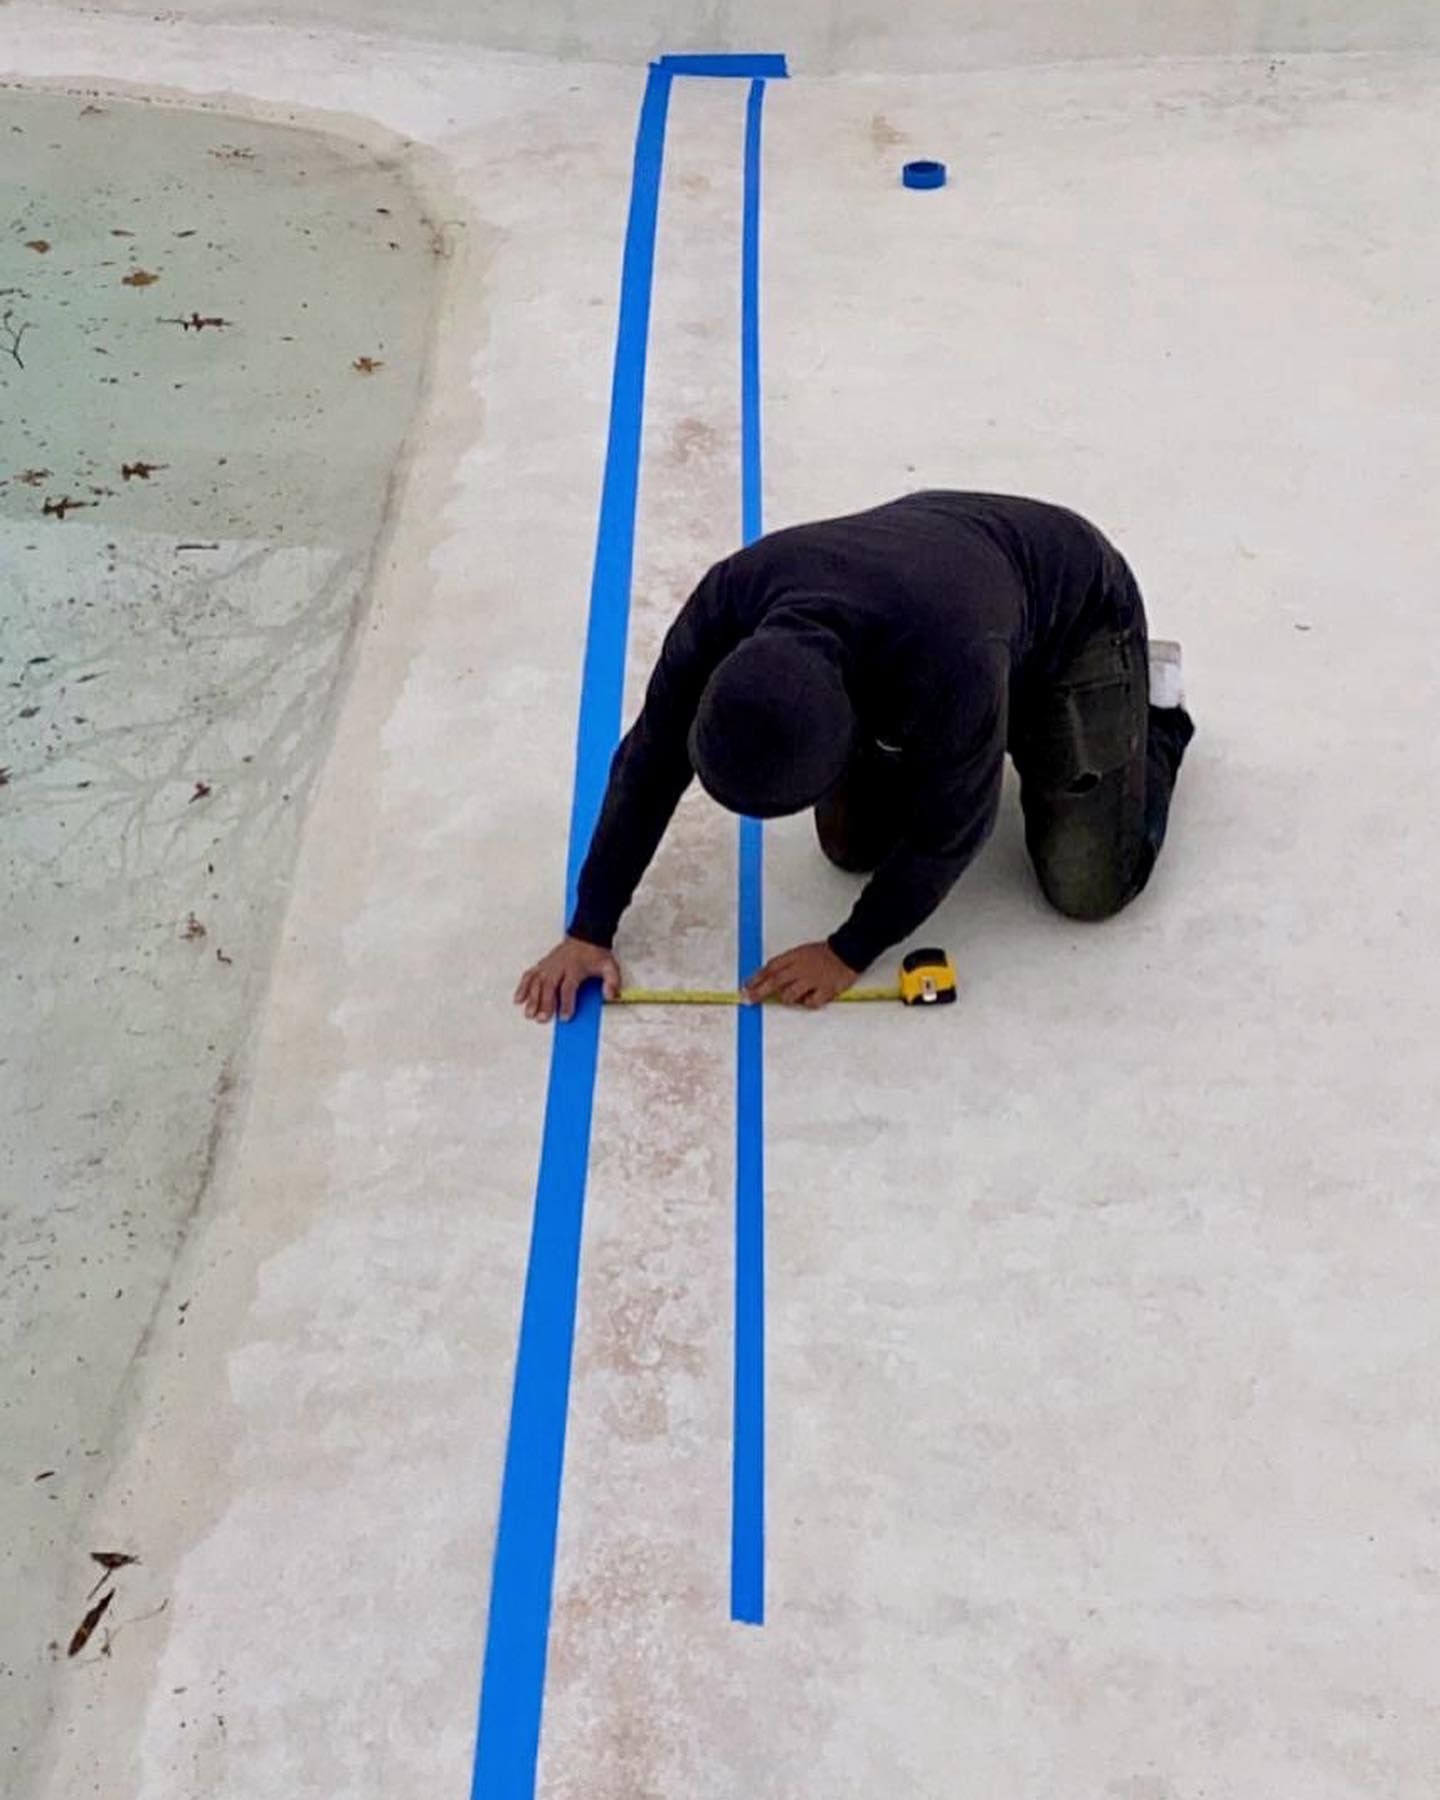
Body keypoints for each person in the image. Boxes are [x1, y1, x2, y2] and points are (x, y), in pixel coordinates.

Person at [515, 491, 1194, 1022]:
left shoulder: (949, 659)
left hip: (1076, 616)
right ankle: (994, 718)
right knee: (853, 847)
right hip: (944, 579)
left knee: (1087, 887)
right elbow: (650, 759)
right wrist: (590, 927)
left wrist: (849, 951)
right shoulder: (727, 604)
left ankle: (1153, 714)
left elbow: (954, 829)